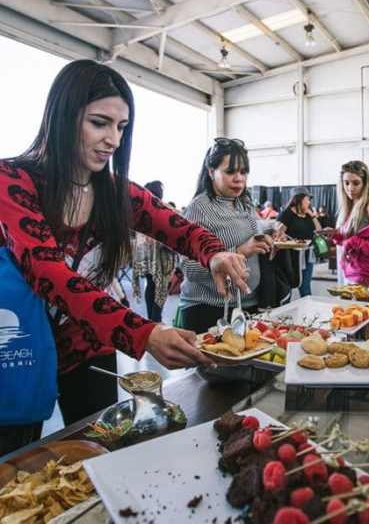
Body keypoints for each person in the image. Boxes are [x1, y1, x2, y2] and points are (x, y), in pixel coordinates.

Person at [0, 60, 248, 453]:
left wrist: (214, 253)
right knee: (14, 463)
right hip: (19, 345)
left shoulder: (115, 191)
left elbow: (178, 227)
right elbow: (48, 273)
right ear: (63, 116)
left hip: (89, 346)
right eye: (99, 123)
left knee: (96, 450)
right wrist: (144, 332)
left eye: (121, 127)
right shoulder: (12, 181)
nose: (113, 139)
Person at [179, 138, 273, 334]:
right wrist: (239, 251)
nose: (239, 178)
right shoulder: (200, 208)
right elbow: (187, 266)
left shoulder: (244, 204)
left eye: (243, 172)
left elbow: (251, 236)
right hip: (208, 310)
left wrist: (267, 238)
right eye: (230, 172)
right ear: (211, 172)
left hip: (247, 306)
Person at [328, 161, 369, 285]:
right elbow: (351, 238)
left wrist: (352, 242)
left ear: (365, 183)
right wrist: (335, 234)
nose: (350, 188)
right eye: (346, 183)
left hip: (368, 279)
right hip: (351, 274)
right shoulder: (350, 205)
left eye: (356, 183)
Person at [132, 181, 176, 322]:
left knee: (151, 285)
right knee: (160, 286)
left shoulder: (142, 211)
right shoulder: (165, 210)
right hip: (161, 258)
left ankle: (152, 318)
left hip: (147, 257)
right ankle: (156, 319)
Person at [277, 188, 321, 297]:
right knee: (288, 285)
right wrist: (281, 234)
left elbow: (319, 230)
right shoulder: (287, 214)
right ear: (299, 199)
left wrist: (312, 215)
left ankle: (308, 310)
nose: (309, 202)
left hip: (307, 254)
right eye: (307, 199)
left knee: (305, 286)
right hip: (290, 255)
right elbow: (278, 234)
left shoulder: (307, 215)